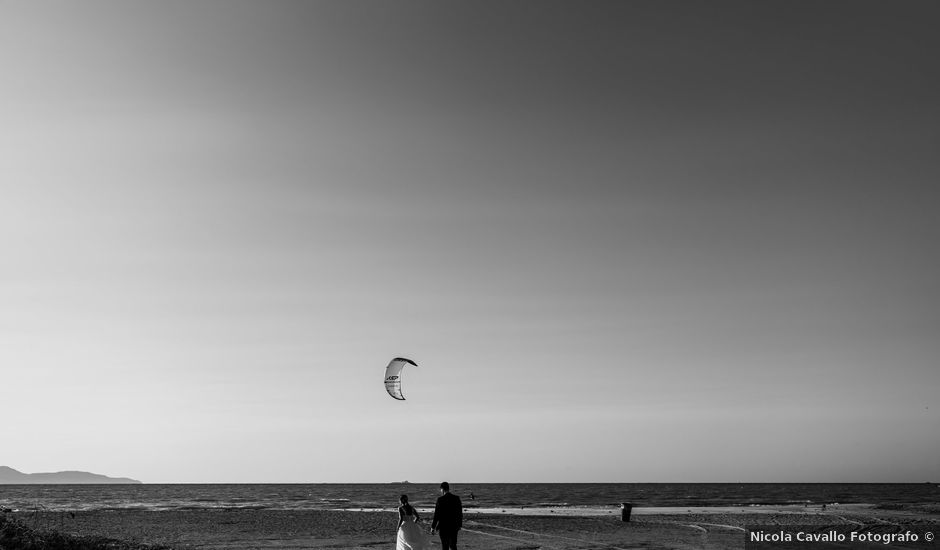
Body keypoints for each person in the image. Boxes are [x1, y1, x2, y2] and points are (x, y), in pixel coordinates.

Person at [430, 481, 462, 550]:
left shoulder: (440, 500)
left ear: (442, 489)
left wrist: (433, 527)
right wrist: (459, 525)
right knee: (453, 545)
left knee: (445, 546)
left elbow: (437, 515)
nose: (440, 491)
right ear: (448, 488)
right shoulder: (456, 498)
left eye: (441, 489)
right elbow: (459, 513)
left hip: (443, 526)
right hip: (454, 525)